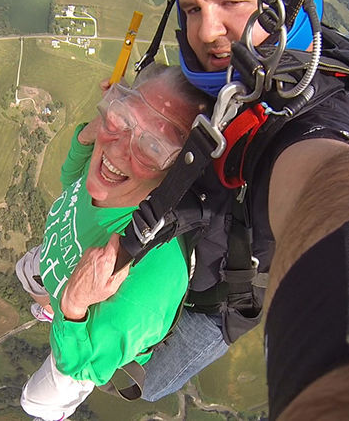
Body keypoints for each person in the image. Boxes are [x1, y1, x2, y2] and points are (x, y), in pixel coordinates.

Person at [60, 0, 349, 418]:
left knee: (153, 382)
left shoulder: (301, 119)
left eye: (232, 1)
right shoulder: (216, 80)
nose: (207, 31)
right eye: (194, 8)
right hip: (181, 246)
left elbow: (327, 177)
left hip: (217, 300)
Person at [15, 63, 210, 421]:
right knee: (27, 271)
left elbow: (83, 367)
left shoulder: (143, 287)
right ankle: (51, 305)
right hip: (69, 273)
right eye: (123, 118)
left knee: (36, 403)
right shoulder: (107, 173)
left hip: (85, 339)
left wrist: (73, 308)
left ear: (179, 169)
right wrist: (97, 129)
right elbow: (72, 178)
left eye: (153, 146)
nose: (119, 151)